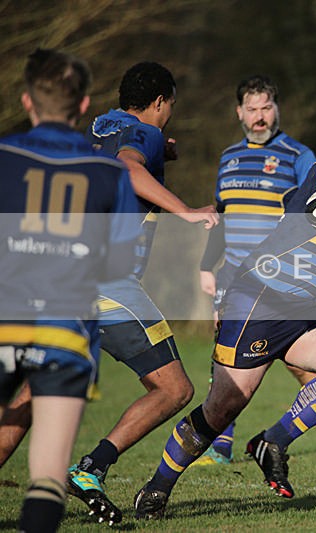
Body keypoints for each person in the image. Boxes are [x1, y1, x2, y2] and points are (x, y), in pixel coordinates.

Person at [133, 108, 316, 519]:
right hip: (260, 299)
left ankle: (272, 442)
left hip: (302, 308)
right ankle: (156, 489)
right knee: (221, 409)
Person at [65, 61, 220, 523]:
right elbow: (129, 169)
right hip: (109, 284)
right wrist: (186, 210)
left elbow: (116, 157)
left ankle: (89, 469)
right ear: (159, 102)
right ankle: (90, 469)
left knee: (30, 397)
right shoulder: (146, 137)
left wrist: (156, 154)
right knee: (175, 389)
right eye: (170, 104)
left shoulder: (99, 127)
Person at [0, 48, 140, 532]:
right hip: (66, 335)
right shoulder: (108, 173)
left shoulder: (5, 158)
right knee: (45, 482)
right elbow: (121, 262)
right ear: (83, 108)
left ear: (27, 101)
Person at [196, 75, 316, 465]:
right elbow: (223, 216)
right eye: (252, 109)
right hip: (234, 279)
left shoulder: (298, 155)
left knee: (293, 362)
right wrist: (208, 266)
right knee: (226, 359)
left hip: (280, 279)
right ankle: (221, 446)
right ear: (239, 112)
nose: (260, 116)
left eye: (266, 107)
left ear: (278, 108)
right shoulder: (228, 157)